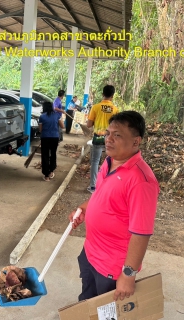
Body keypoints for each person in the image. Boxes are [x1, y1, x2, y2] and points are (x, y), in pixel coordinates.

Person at [69, 111, 160, 301]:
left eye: (117, 135)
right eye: (108, 133)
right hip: (90, 253)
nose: (109, 139)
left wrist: (128, 275)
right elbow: (101, 196)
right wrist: (84, 209)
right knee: (86, 302)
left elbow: (141, 233)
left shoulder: (141, 181)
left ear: (136, 142)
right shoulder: (110, 161)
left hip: (112, 266)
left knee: (106, 311)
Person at [87, 85, 118, 193]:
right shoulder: (115, 109)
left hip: (98, 137)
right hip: (110, 139)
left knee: (95, 161)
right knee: (111, 162)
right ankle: (106, 187)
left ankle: (93, 186)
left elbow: (89, 125)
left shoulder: (95, 107)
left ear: (102, 94)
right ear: (112, 96)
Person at [39, 101, 65, 181]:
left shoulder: (42, 116)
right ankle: (51, 172)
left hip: (45, 138)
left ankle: (46, 176)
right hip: (54, 137)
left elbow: (40, 129)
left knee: (45, 155)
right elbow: (62, 126)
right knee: (53, 154)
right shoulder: (57, 115)